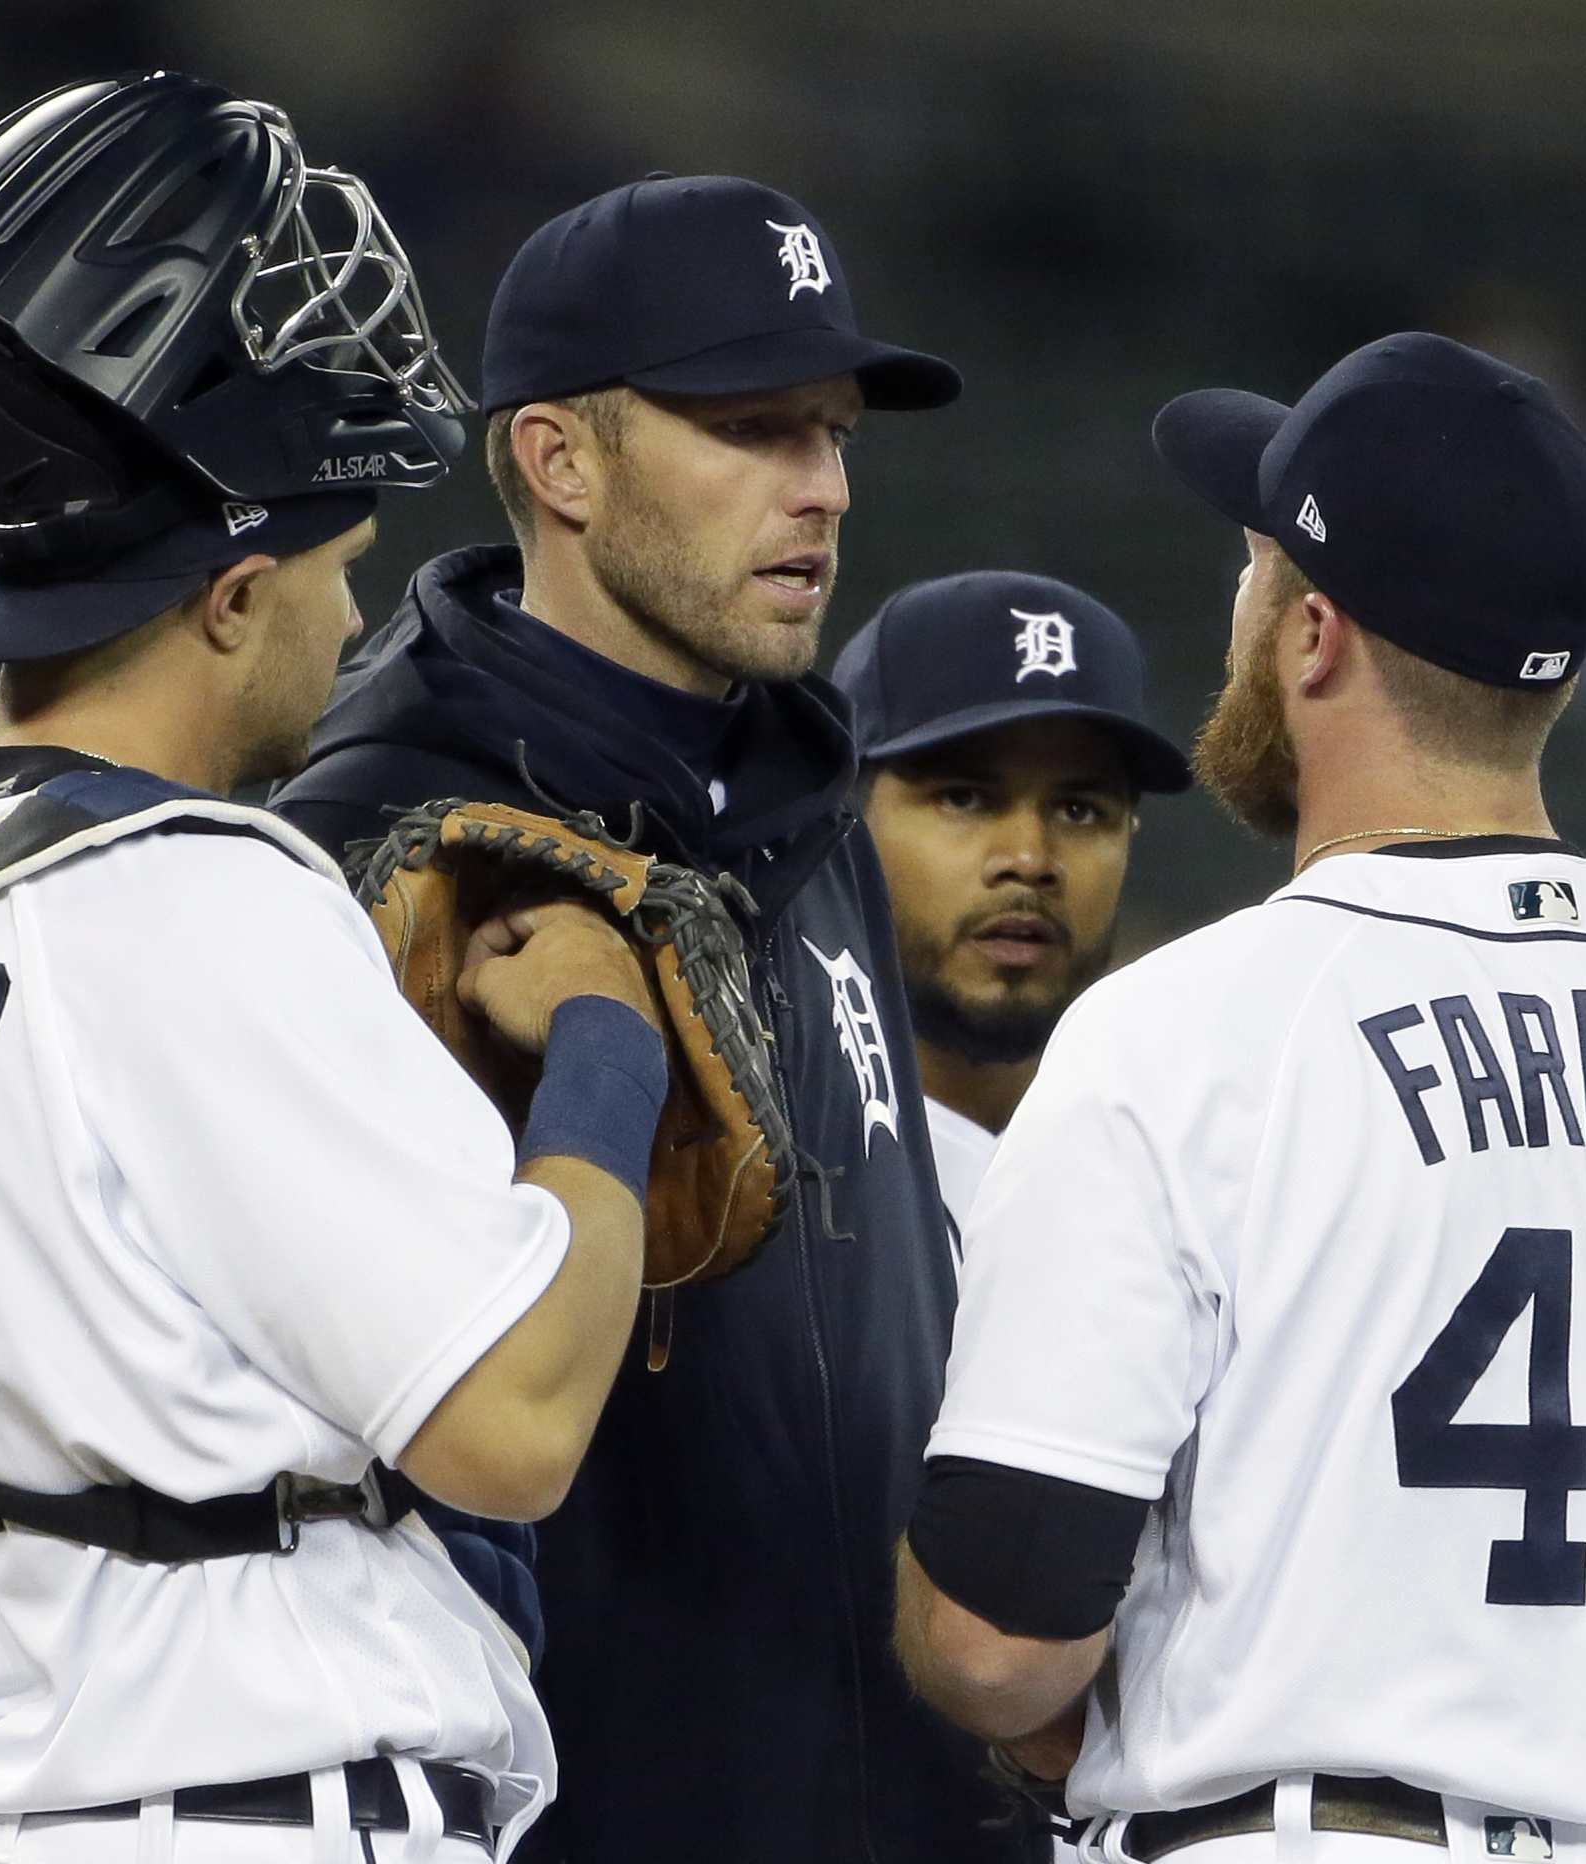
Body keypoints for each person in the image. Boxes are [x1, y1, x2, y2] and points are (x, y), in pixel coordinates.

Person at [0, 74, 663, 1862]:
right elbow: (518, 1423)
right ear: (227, 595)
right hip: (256, 1813)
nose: (345, 614)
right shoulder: (194, 893)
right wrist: (603, 1044)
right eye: (330, 567)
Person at [891, 332, 1586, 1862]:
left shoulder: (1183, 1038)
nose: (1236, 605)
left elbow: (999, 1651)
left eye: (1253, 566)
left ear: (1309, 633)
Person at [272, 177, 1020, 1863]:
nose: (820, 488)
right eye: (751, 427)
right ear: (556, 460)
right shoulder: (388, 850)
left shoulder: (814, 800)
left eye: (829, 433)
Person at [832, 571, 1191, 1232]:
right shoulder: (747, 1174)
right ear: (839, 824)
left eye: (1079, 810)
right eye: (964, 798)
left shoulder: (1201, 1177)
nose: (1029, 859)